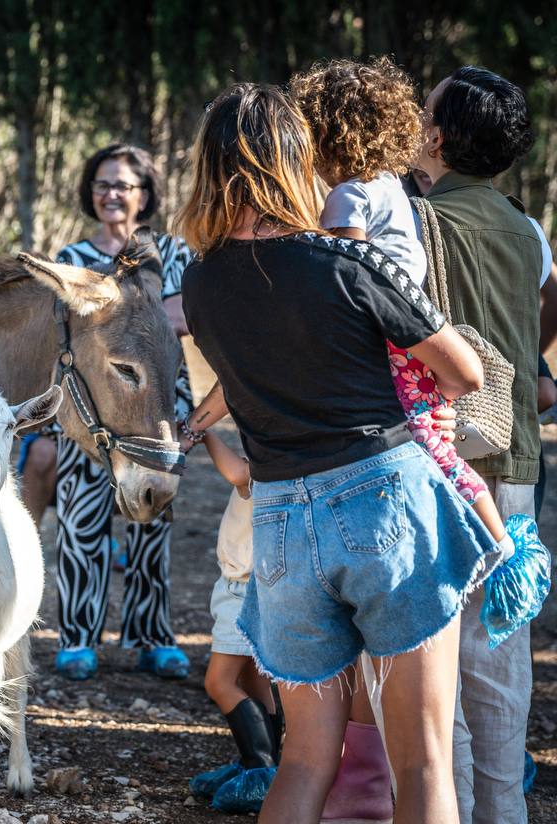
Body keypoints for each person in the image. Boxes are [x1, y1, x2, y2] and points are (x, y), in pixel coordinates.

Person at [178, 82, 499, 823]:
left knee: (303, 761)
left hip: (283, 519)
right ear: (295, 158)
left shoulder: (199, 284)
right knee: (422, 761)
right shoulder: (345, 262)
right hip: (386, 502)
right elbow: (465, 373)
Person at [416, 65, 550, 824]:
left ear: (434, 136)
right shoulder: (525, 228)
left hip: (440, 462)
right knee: (499, 665)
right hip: (516, 463)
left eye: (423, 111)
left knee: (438, 675)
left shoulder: (419, 220)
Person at [50, 143, 195, 681]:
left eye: (123, 185)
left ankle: (152, 636)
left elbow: (186, 313)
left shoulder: (172, 252)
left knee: (152, 521)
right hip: (91, 408)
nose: (111, 194)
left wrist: (121, 315)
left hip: (159, 408)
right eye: (102, 184)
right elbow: (67, 330)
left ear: (145, 194)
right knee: (80, 522)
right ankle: (77, 638)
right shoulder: (73, 258)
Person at [184, 400, 280, 814]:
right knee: (258, 681)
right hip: (259, 586)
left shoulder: (265, 461)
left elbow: (237, 474)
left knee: (219, 682)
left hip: (244, 589)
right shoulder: (288, 452)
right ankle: (264, 764)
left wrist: (202, 431)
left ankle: (261, 770)